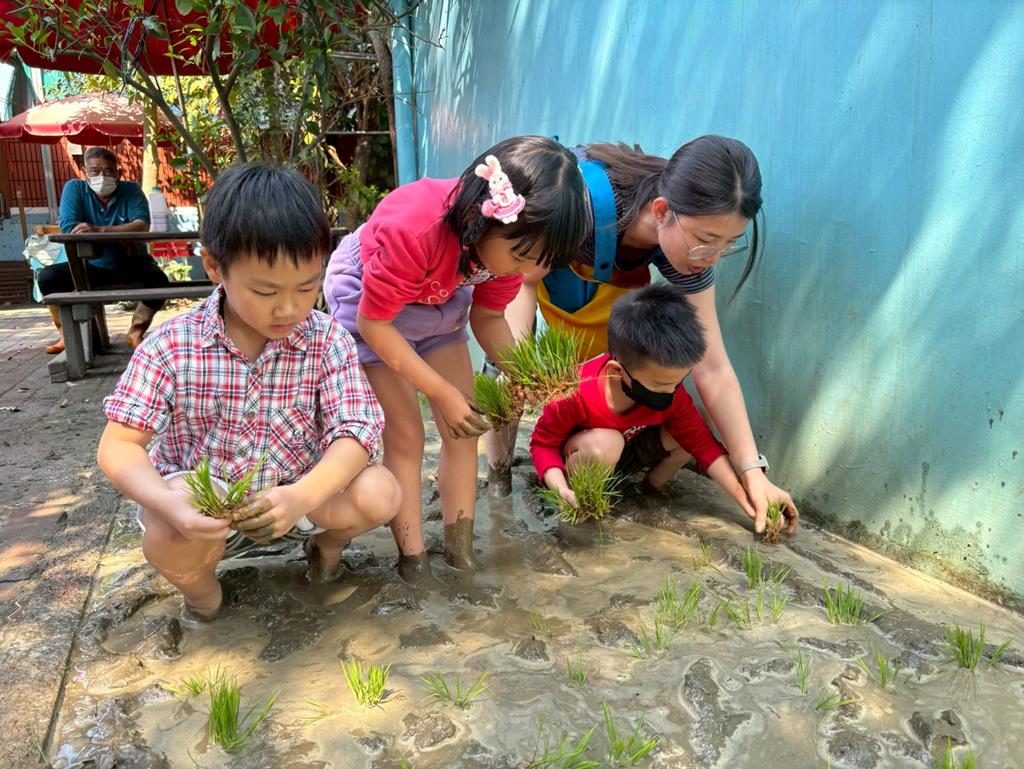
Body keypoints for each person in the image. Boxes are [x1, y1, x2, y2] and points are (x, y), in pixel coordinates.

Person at [96, 163, 401, 625]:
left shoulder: (327, 339)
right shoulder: (172, 345)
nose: (289, 308)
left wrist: (301, 496)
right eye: (265, 290)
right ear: (214, 266)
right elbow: (119, 446)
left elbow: (356, 432)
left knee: (380, 491)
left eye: (307, 286)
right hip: (206, 514)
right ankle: (205, 599)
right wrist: (167, 503)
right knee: (167, 527)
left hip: (300, 500)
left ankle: (325, 547)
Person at [489, 136, 798, 533]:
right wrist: (521, 366)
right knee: (505, 383)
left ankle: (585, 464)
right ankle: (497, 484)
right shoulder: (583, 209)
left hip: (602, 288)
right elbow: (523, 281)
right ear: (662, 210)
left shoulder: (685, 251)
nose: (712, 258)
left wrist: (754, 474)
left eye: (728, 245)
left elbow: (713, 367)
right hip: (533, 268)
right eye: (705, 241)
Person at [324, 136, 586, 584]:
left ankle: (460, 550)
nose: (522, 271)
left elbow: (488, 318)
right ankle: (413, 559)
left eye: (536, 262)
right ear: (484, 216)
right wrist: (441, 392)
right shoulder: (415, 227)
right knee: (407, 433)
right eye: (521, 256)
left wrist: (528, 375)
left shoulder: (502, 258)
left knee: (465, 429)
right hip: (369, 302)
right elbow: (375, 323)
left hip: (439, 299)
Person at [531, 284, 797, 536]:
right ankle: (584, 505)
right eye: (660, 385)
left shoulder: (669, 392)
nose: (671, 393)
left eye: (678, 382)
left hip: (628, 452)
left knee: (693, 426)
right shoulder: (576, 391)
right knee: (607, 443)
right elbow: (543, 444)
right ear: (617, 371)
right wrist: (560, 488)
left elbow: (703, 445)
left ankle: (651, 487)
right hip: (586, 459)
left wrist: (749, 502)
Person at [39, 147, 170, 353]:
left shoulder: (131, 190)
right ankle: (67, 335)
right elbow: (70, 227)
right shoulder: (75, 189)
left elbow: (141, 225)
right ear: (85, 172)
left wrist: (98, 231)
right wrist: (121, 236)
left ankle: (136, 331)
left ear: (119, 173)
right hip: (88, 267)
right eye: (95, 171)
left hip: (130, 263)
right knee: (48, 278)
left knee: (159, 281)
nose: (102, 176)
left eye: (109, 171)